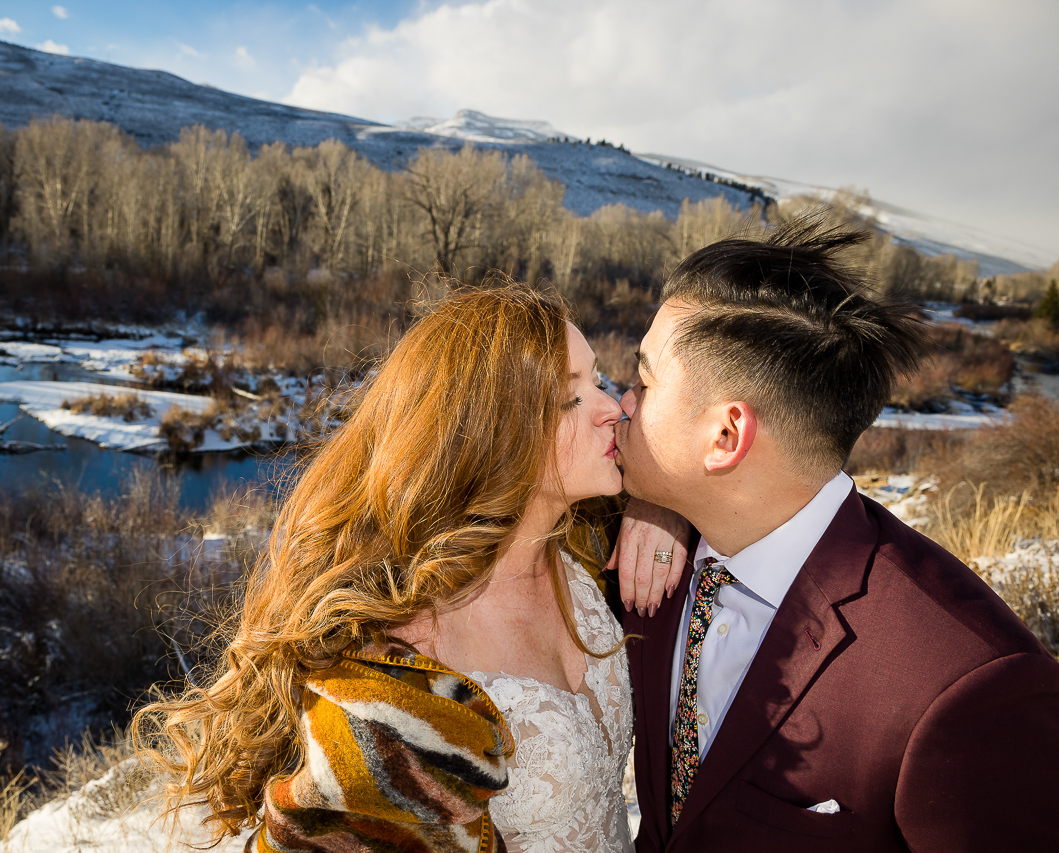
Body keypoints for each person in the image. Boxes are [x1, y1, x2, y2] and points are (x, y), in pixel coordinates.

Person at [137, 284, 679, 853]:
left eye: (597, 380)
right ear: (486, 432)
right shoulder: (397, 653)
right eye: (570, 399)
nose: (611, 407)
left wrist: (661, 506)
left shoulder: (594, 545)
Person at [613, 217, 1059, 852]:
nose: (620, 402)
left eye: (644, 382)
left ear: (725, 437)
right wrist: (652, 503)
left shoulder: (966, 685)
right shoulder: (652, 554)